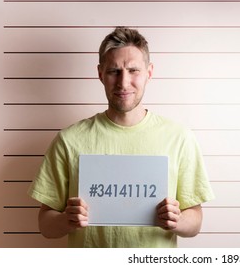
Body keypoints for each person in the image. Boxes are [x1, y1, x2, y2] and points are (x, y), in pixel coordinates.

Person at [28, 27, 214, 247]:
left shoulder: (179, 138)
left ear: (149, 72)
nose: (123, 83)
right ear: (100, 74)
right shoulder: (69, 140)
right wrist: (66, 220)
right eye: (114, 71)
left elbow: (195, 222)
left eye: (133, 70)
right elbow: (46, 226)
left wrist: (178, 220)